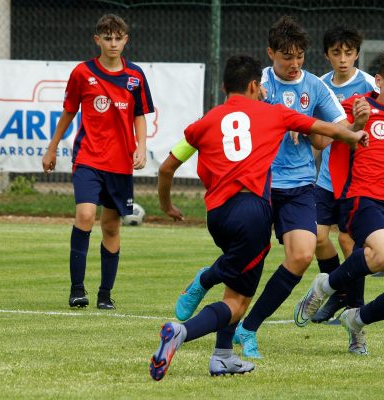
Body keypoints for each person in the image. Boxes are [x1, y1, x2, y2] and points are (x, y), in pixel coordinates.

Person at [148, 54, 368, 380]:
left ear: (223, 87)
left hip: (217, 215)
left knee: (236, 282)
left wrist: (166, 205)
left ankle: (223, 357)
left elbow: (167, 168)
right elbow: (320, 128)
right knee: (237, 303)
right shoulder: (273, 113)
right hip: (251, 213)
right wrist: (353, 135)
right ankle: (180, 332)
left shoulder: (204, 121)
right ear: (255, 85)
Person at [293, 46, 384, 354]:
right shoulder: (357, 106)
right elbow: (330, 136)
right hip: (361, 197)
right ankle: (325, 286)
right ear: (378, 81)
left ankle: (355, 319)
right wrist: (357, 125)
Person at [41, 14, 154, 309]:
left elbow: (139, 115)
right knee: (85, 216)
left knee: (112, 227)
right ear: (97, 40)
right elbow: (68, 112)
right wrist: (51, 148)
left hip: (119, 165)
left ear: (126, 40)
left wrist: (141, 147)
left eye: (118, 38)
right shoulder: (82, 73)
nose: (113, 43)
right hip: (88, 158)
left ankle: (105, 294)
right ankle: (77, 290)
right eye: (107, 38)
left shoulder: (136, 76)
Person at [310, 25, 378, 355]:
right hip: (326, 178)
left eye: (348, 53)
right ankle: (336, 289)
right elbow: (316, 132)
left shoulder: (367, 86)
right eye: (336, 53)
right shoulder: (320, 86)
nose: (342, 59)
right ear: (327, 55)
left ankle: (356, 330)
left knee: (349, 242)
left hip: (356, 180)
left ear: (356, 54)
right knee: (317, 237)